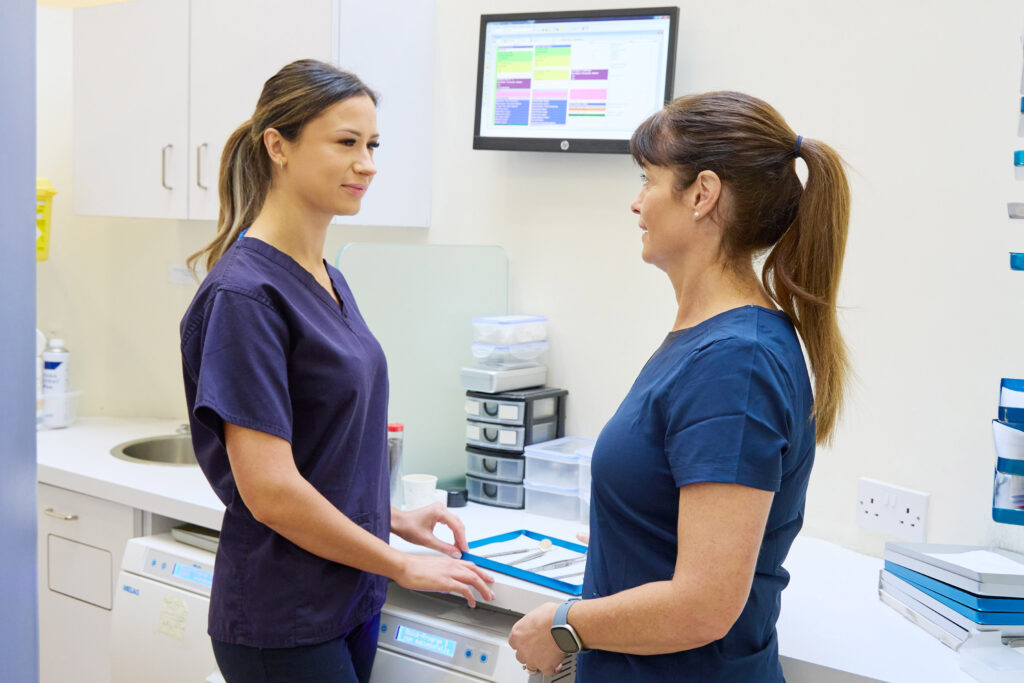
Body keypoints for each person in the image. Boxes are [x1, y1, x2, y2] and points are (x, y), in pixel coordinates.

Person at [509, 91, 850, 681]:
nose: (635, 203)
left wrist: (564, 625)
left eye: (648, 180)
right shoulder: (708, 341)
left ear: (702, 194)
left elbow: (704, 605)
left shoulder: (736, 361)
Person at [179, 59, 494, 683]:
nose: (367, 163)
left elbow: (324, 446)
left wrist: (391, 517)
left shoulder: (328, 275)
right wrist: (398, 563)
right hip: (284, 616)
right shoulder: (245, 295)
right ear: (279, 147)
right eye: (346, 143)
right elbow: (270, 490)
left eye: (372, 144)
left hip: (345, 597)